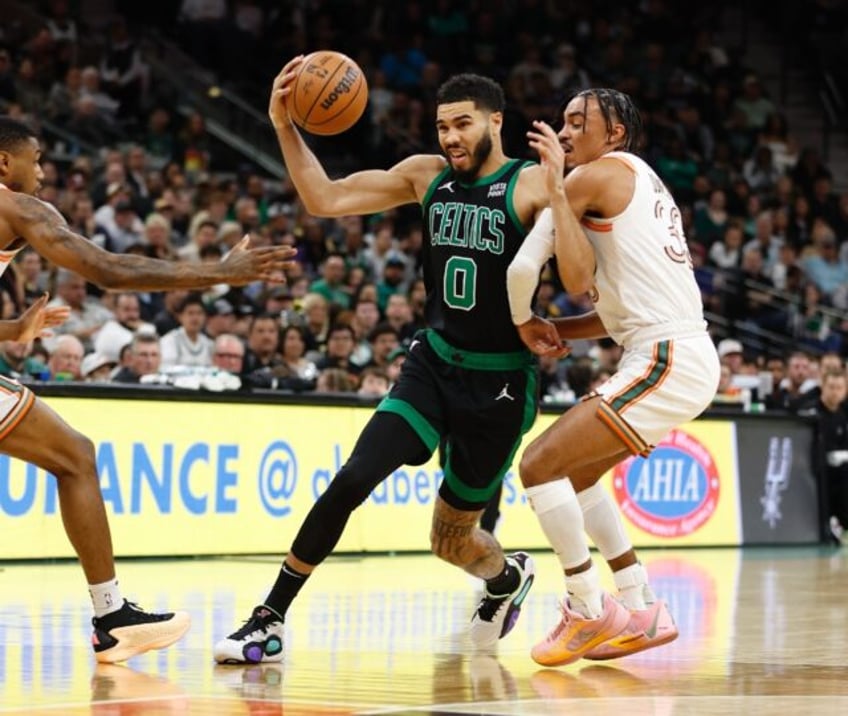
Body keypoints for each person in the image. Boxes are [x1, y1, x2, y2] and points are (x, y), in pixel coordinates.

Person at [214, 67, 552, 664]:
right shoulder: (426, 177)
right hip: (433, 364)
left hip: (500, 383)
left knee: (449, 543)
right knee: (351, 480)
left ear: (496, 123)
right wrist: (283, 126)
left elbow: (588, 261)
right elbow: (326, 198)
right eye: (442, 125)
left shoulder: (532, 186)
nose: (449, 136)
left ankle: (505, 577)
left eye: (462, 124)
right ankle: (269, 618)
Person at [0, 115, 296, 663]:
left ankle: (114, 618)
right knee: (76, 457)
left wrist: (15, 331)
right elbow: (108, 270)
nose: (42, 171)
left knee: (74, 455)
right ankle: (112, 618)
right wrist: (219, 273)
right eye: (36, 159)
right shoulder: (17, 206)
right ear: (4, 163)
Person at [506, 88, 721, 666]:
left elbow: (556, 273)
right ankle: (642, 604)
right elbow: (611, 311)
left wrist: (525, 320)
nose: (566, 130)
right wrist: (559, 331)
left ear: (616, 133)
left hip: (665, 356)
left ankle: (586, 605)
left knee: (538, 464)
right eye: (564, 121)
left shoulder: (593, 176)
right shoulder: (637, 179)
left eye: (580, 122)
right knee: (574, 478)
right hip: (672, 351)